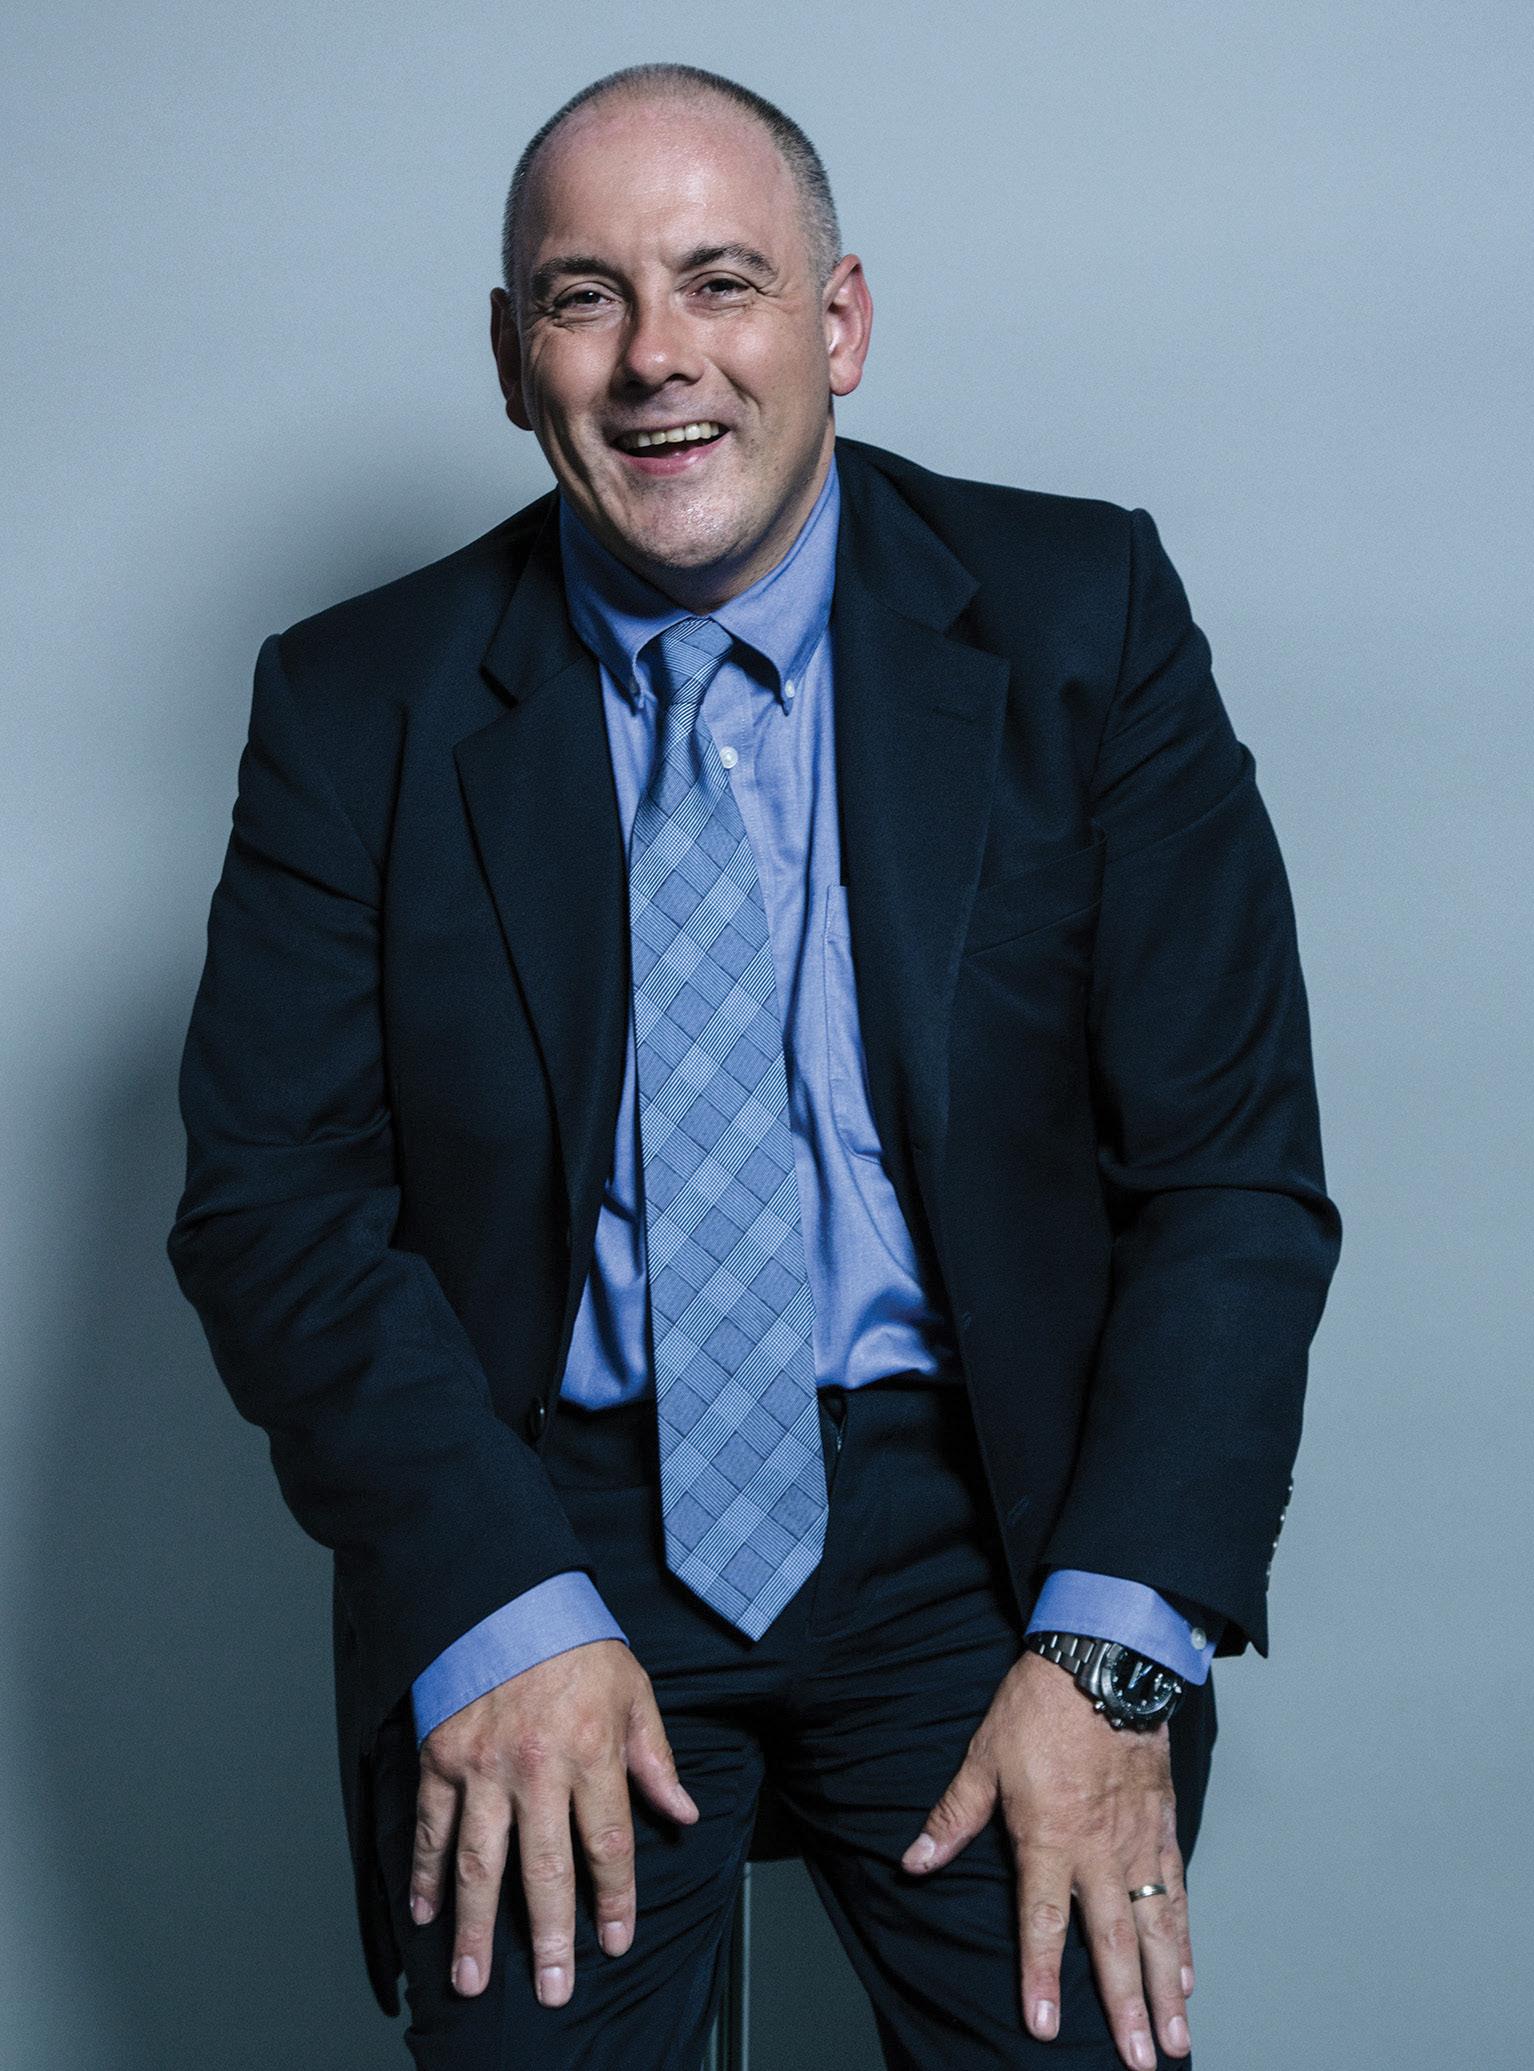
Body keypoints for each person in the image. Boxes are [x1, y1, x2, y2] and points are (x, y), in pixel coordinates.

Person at [167, 60, 1342, 2071]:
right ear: (511, 358)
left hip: (989, 1522)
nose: (657, 358)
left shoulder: (1085, 623)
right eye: (585, 297)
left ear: (838, 321)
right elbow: (274, 1202)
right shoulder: (358, 701)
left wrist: (1112, 1654)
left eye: (721, 281)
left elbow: (1228, 1174)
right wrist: (490, 1605)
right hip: (542, 1519)